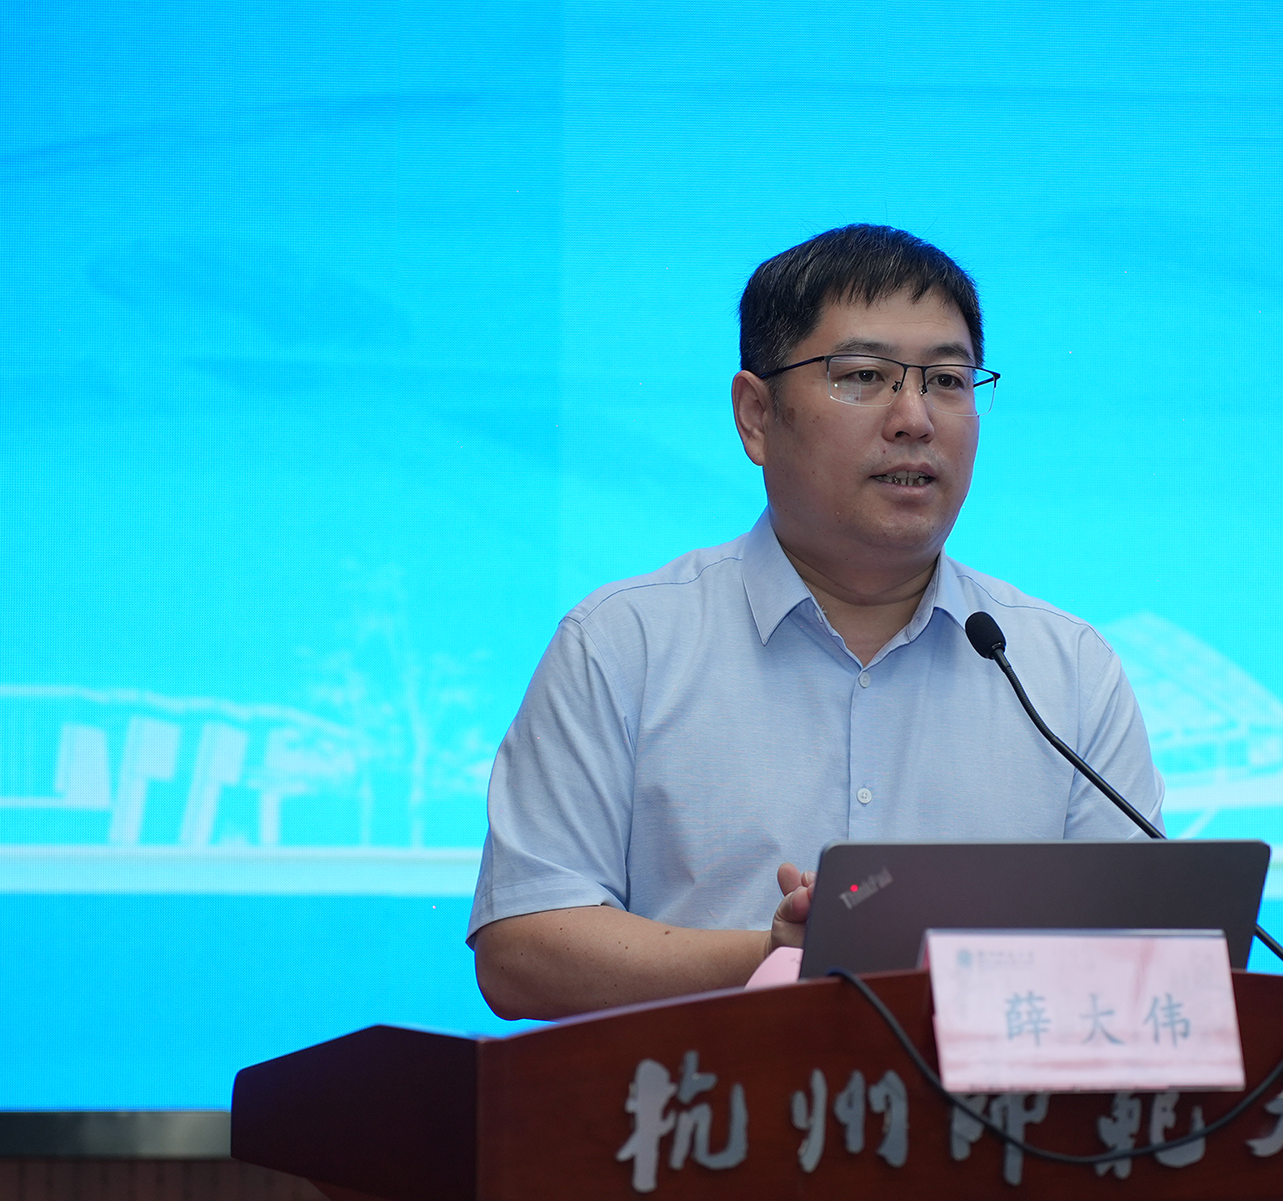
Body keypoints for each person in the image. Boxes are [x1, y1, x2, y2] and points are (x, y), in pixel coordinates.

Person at [469, 224, 1161, 1019]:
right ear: (756, 415)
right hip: (704, 1098)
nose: (914, 418)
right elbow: (522, 948)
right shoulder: (624, 644)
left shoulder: (1064, 671)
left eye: (947, 380)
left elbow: (1153, 961)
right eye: (864, 376)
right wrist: (775, 959)